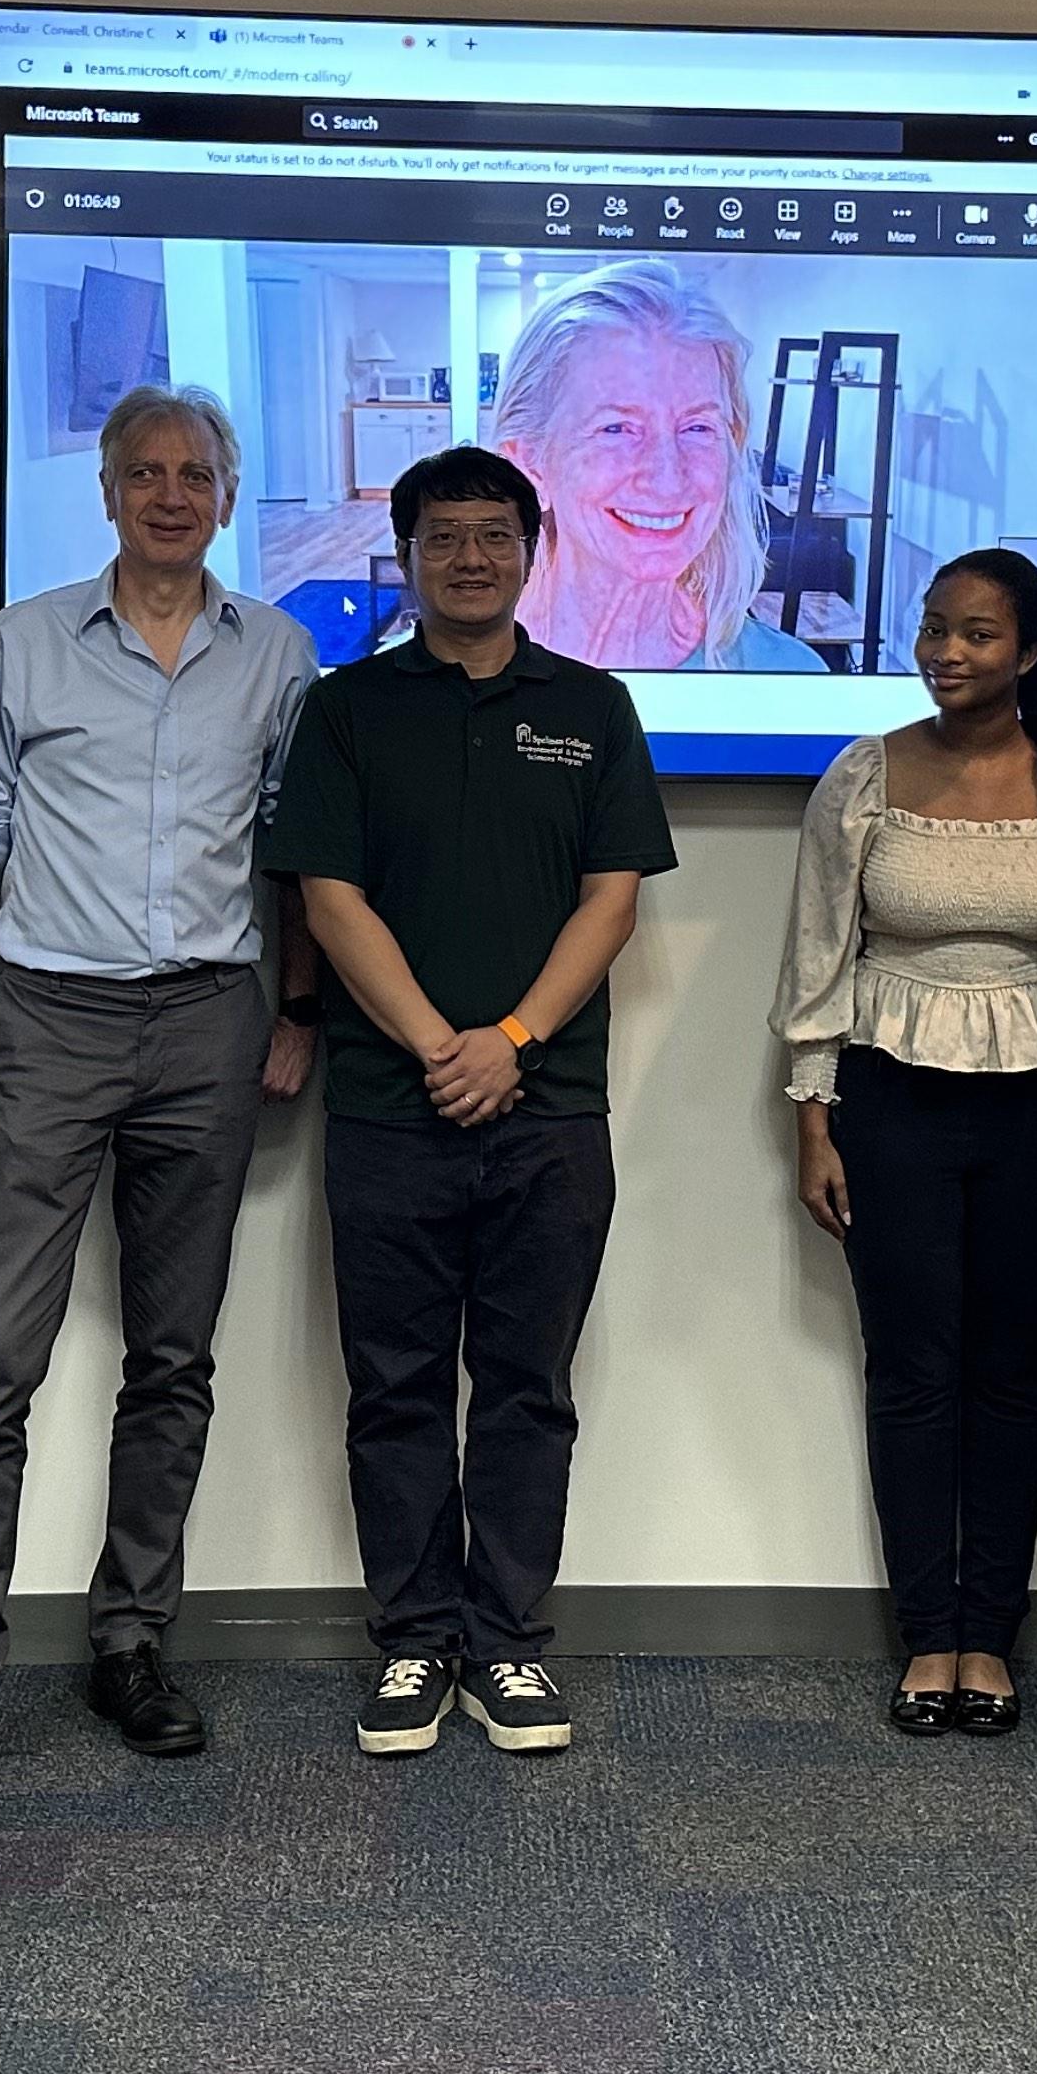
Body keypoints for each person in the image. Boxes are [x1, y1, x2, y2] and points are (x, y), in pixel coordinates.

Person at [0, 384, 323, 1826]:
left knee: (173, 1356)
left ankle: (132, 1642)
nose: (172, 494)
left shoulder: (281, 655)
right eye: (146, 472)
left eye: (197, 473)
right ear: (110, 493)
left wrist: (294, 1004)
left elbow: (295, 849)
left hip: (210, 1021)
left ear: (229, 498)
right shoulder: (22, 642)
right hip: (44, 1021)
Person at [264, 445, 677, 1759]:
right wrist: (443, 1043)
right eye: (443, 537)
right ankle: (412, 1642)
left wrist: (509, 1038)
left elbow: (613, 898)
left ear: (532, 546)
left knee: (524, 1387)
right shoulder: (346, 711)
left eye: (494, 535)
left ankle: (505, 1643)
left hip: (547, 1112)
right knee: (390, 1386)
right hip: (390, 1111)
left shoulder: (594, 705)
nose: (470, 558)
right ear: (404, 552)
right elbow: (329, 900)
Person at [771, 549, 1037, 1735]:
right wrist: (813, 1118)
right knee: (913, 1371)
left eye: (976, 634)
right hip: (892, 1100)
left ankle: (995, 1635)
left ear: (1029, 651)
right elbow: (818, 957)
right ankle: (929, 1637)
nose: (945, 653)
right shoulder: (865, 778)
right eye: (933, 629)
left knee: (1012, 1375)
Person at [488, 259, 822, 672]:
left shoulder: (788, 680)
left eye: (697, 427)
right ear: (528, 464)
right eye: (616, 428)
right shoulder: (424, 688)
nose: (667, 480)